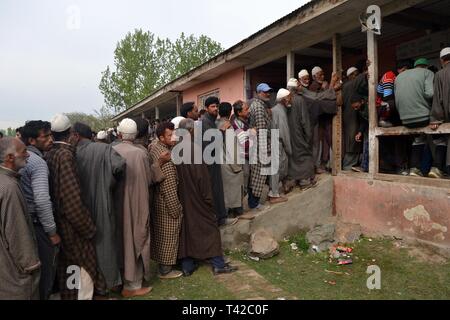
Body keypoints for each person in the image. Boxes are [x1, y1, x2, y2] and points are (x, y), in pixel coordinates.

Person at [45, 114, 104, 300]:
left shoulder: (50, 153)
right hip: (72, 226)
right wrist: (87, 227)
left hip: (59, 222)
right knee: (83, 266)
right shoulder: (65, 155)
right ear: (70, 132)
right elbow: (72, 200)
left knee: (68, 266)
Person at [176, 119, 238, 276]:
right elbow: (202, 179)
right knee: (211, 227)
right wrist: (209, 199)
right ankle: (218, 264)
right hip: (198, 197)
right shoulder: (194, 150)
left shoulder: (175, 149)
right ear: (190, 131)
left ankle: (187, 265)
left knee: (187, 230)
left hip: (183, 198)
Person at [113, 118, 166, 297]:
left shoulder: (111, 150)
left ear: (119, 134)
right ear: (135, 135)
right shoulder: (140, 153)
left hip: (115, 205)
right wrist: (158, 165)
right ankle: (133, 286)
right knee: (136, 240)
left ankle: (120, 280)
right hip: (136, 205)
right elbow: (150, 179)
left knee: (119, 241)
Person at [73, 122, 126, 296]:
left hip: (76, 207)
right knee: (105, 244)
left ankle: (84, 287)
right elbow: (119, 165)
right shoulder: (104, 149)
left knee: (81, 249)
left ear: (77, 135)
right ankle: (109, 283)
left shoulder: (70, 152)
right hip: (102, 201)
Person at [19, 121, 60, 300]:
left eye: (51, 135)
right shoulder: (37, 163)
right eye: (46, 136)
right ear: (32, 141)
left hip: (23, 222)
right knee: (45, 273)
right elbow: (42, 200)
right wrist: (51, 232)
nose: (51, 139)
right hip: (38, 225)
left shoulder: (21, 159)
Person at [0, 137, 40, 300]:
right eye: (24, 151)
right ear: (10, 158)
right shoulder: (9, 188)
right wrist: (31, 265)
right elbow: (17, 233)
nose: (28, 155)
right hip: (14, 277)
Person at [287, 74, 339, 189]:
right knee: (305, 154)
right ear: (297, 86)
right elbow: (317, 98)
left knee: (295, 156)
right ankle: (305, 181)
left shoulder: (287, 100)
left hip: (291, 133)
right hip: (303, 131)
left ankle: (295, 180)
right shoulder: (300, 99)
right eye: (300, 84)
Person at [149, 122, 184, 280]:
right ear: (161, 137)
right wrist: (175, 209)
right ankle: (166, 270)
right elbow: (169, 187)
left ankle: (163, 266)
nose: (174, 137)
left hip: (157, 202)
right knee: (168, 235)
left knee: (161, 235)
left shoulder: (155, 147)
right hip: (166, 203)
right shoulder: (166, 159)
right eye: (170, 135)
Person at [395, 58, 441, 178]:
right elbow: (431, 93)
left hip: (405, 120)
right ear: (425, 66)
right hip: (423, 118)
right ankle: (437, 168)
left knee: (418, 140)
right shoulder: (427, 73)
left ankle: (414, 169)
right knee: (440, 138)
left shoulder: (399, 77)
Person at [201, 96, 230, 225]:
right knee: (214, 190)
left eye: (217, 106)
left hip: (213, 160)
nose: (216, 109)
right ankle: (218, 219)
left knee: (217, 189)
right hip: (209, 161)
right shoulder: (205, 122)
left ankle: (220, 217)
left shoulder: (211, 120)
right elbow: (210, 143)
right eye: (213, 106)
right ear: (206, 108)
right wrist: (222, 131)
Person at [217, 102, 244, 218]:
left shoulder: (215, 124)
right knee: (233, 191)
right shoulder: (228, 126)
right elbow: (232, 148)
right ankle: (235, 214)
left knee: (225, 192)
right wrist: (237, 167)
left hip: (220, 163)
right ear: (230, 112)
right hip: (229, 165)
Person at [248, 84, 273, 210]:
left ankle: (254, 202)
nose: (267, 94)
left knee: (258, 175)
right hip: (259, 146)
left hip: (257, 145)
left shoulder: (260, 105)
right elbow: (261, 129)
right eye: (265, 92)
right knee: (258, 175)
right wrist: (265, 149)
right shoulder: (258, 107)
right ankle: (254, 204)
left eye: (268, 92)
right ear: (258, 93)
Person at [269, 89, 292, 203]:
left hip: (274, 141)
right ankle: (274, 195)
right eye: (288, 98)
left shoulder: (276, 109)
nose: (290, 99)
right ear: (283, 100)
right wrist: (289, 148)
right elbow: (284, 133)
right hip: (277, 142)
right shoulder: (280, 112)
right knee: (276, 168)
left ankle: (275, 191)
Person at [342, 66, 367, 171]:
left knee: (354, 140)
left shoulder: (348, 85)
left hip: (351, 116)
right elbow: (360, 80)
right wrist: (365, 74)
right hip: (351, 117)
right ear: (350, 76)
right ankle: (348, 167)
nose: (357, 76)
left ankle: (353, 165)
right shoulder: (350, 85)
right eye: (355, 74)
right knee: (353, 141)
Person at [430, 47, 450, 177]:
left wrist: (435, 119)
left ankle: (439, 168)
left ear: (442, 60)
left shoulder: (440, 74)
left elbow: (438, 99)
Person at [231, 100, 252, 201]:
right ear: (239, 112)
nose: (249, 111)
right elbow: (244, 143)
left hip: (248, 155)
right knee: (245, 179)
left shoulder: (245, 121)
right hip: (243, 157)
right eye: (246, 109)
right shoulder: (237, 124)